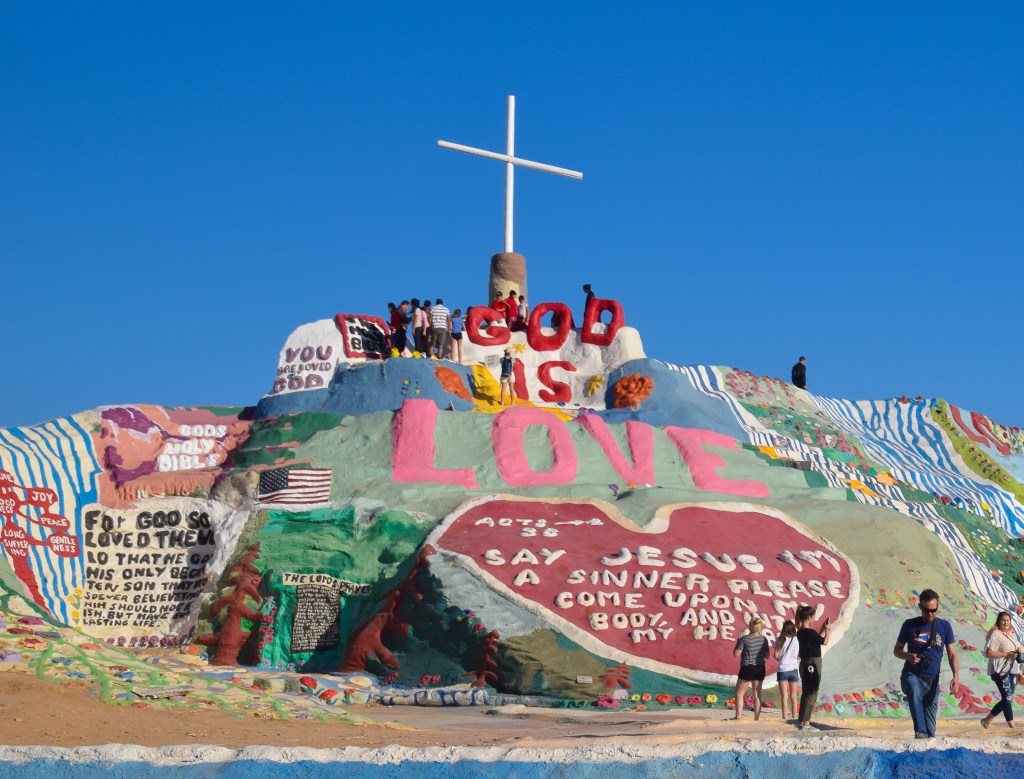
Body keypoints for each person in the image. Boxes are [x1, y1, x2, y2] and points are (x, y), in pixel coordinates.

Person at [893, 588, 959, 739]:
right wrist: (908, 656)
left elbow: (952, 654)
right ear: (920, 607)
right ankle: (919, 732)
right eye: (926, 610)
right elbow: (896, 650)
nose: (930, 614)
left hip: (932, 682)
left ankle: (925, 733)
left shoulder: (944, 626)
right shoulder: (909, 625)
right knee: (914, 688)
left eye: (934, 610)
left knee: (931, 733)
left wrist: (956, 676)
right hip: (912, 675)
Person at [981, 611, 1024, 730]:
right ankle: (1012, 726)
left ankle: (987, 720)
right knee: (1007, 697)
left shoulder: (1011, 634)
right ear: (999, 622)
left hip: (1012, 669)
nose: (1006, 622)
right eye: (1003, 620)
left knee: (1008, 698)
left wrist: (1019, 650)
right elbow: (988, 653)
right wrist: (1007, 654)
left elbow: (1017, 648)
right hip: (1000, 670)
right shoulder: (996, 634)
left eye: (1008, 620)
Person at [796, 605, 830, 731]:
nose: (814, 619)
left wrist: (822, 628)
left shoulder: (800, 632)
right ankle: (805, 723)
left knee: (806, 691)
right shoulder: (810, 633)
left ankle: (803, 720)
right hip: (813, 663)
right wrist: (828, 630)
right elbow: (825, 642)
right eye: (813, 617)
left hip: (804, 663)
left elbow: (815, 639)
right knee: (811, 693)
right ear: (809, 617)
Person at [732, 617, 769, 720]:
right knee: (757, 695)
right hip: (760, 668)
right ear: (759, 627)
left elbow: (736, 653)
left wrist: (737, 643)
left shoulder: (744, 639)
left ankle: (738, 716)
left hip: (747, 668)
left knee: (739, 693)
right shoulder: (764, 639)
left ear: (751, 626)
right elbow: (767, 655)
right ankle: (756, 718)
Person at [774, 619, 801, 723]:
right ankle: (795, 718)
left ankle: (785, 718)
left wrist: (780, 660)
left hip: (782, 670)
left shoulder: (780, 639)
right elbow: (798, 654)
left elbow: (776, 655)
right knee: (794, 697)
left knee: (784, 697)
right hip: (793, 669)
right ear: (793, 629)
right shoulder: (796, 640)